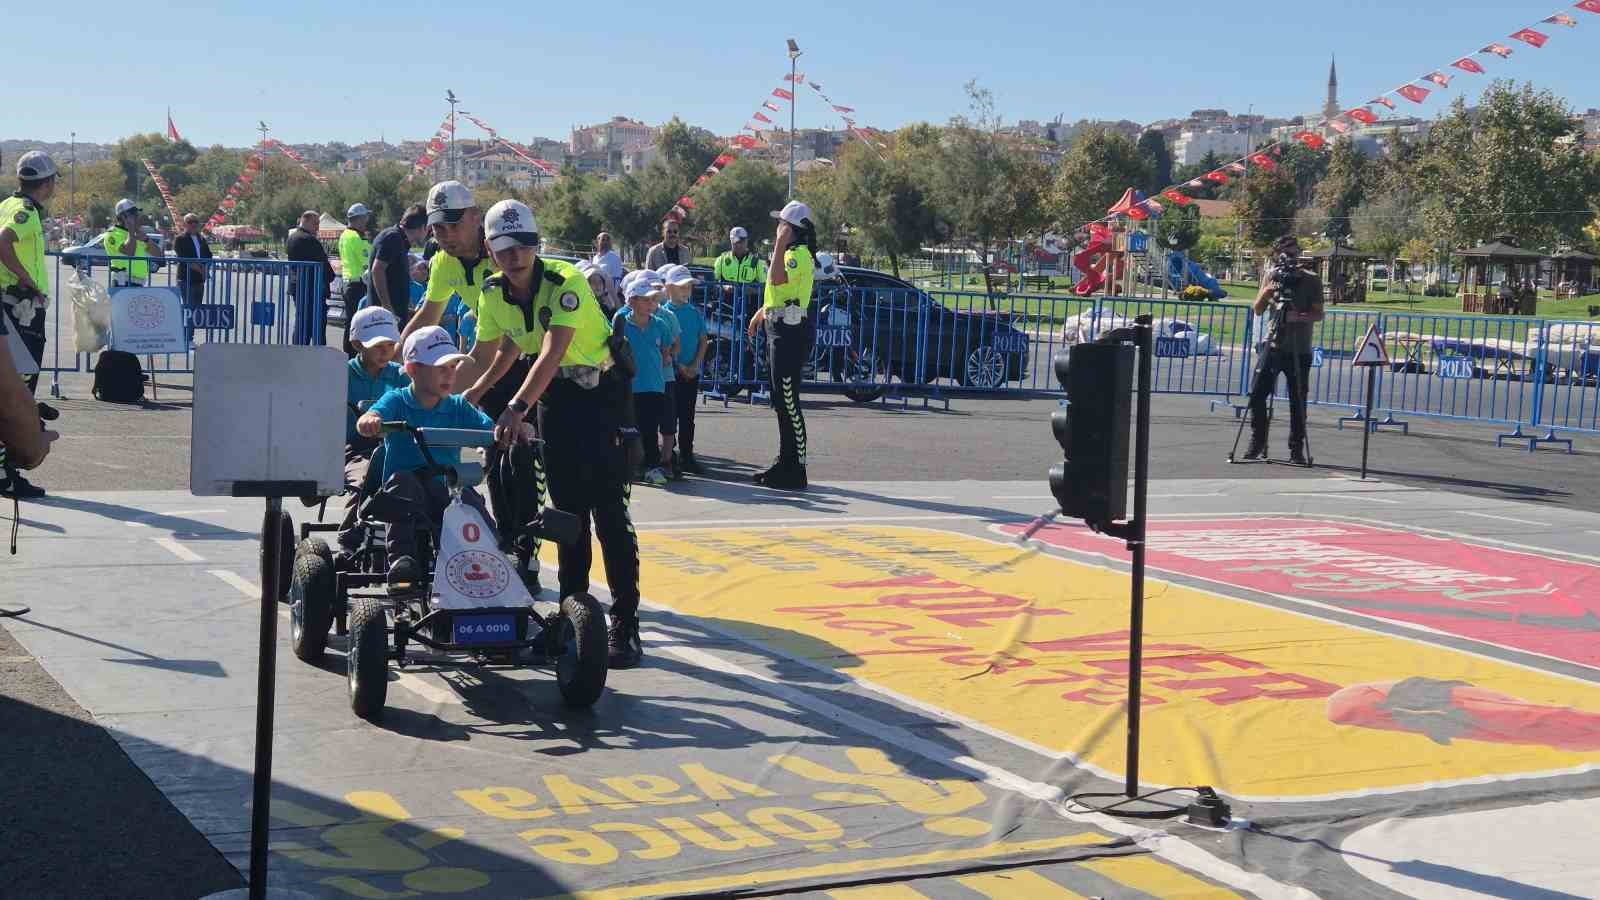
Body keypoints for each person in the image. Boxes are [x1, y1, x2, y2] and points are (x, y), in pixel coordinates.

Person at [461, 200, 643, 668]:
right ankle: (571, 621)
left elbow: (552, 350)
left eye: (525, 245)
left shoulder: (566, 281)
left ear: (536, 245)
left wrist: (515, 408)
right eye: (505, 247)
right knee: (565, 514)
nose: (516, 255)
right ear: (489, 248)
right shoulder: (492, 292)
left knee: (609, 513)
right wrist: (465, 395)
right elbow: (497, 350)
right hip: (556, 399)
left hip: (602, 396)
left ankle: (625, 623)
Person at [355, 326, 493, 585]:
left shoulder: (458, 406)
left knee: (469, 499)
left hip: (446, 489)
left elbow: (492, 430)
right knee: (403, 484)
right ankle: (402, 560)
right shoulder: (396, 401)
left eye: (452, 367)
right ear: (413, 370)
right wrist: (370, 420)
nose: (449, 374)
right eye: (441, 367)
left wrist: (511, 431)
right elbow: (372, 415)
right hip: (408, 494)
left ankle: (493, 555)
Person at [402, 182, 499, 402]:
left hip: (533, 357)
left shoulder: (500, 255)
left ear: (475, 217)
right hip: (489, 356)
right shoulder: (443, 261)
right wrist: (392, 365)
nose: (447, 236)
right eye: (439, 228)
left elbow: (492, 351)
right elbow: (427, 317)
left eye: (454, 225)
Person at [747, 200, 818, 491]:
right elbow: (781, 292)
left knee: (788, 399)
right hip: (779, 326)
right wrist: (762, 312)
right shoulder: (791, 253)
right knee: (779, 399)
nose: (777, 228)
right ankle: (784, 461)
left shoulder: (797, 254)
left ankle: (797, 467)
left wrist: (779, 243)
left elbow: (777, 278)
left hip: (790, 332)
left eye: (782, 224)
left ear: (792, 229)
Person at [0, 151, 60, 499]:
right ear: (47, 183)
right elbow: (2, 242)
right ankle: (6, 473)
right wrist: (28, 282)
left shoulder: (7, 204)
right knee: (16, 396)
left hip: (10, 308)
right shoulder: (25, 212)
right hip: (20, 310)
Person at [335, 306, 410, 564]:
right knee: (367, 477)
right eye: (377, 345)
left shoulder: (402, 376)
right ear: (358, 344)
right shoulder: (340, 374)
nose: (385, 351)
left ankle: (412, 543)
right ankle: (349, 540)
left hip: (395, 448)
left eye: (390, 344)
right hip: (354, 450)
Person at [1246, 234, 1324, 464]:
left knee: (1297, 401)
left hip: (1299, 348)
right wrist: (1266, 292)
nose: (1288, 255)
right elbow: (1257, 309)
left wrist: (1298, 317)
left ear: (1298, 252)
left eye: (1292, 250)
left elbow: (1318, 314)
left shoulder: (1311, 280)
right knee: (1257, 394)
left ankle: (1296, 449)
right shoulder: (1271, 275)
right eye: (1283, 250)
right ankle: (1257, 442)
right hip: (1272, 345)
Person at [613, 271, 674, 486]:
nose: (651, 304)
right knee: (628, 429)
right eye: (645, 299)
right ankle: (628, 467)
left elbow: (666, 353)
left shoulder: (660, 324)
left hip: (654, 387)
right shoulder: (621, 322)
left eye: (653, 300)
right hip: (629, 387)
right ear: (632, 301)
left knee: (649, 430)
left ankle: (652, 467)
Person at [663, 264, 708, 475]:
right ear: (669, 288)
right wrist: (679, 365)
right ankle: (669, 456)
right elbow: (665, 345)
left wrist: (695, 365)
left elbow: (703, 340)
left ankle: (687, 456)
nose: (686, 291)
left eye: (688, 286)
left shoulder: (694, 312)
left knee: (688, 416)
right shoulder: (663, 313)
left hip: (691, 373)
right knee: (670, 416)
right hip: (672, 374)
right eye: (681, 286)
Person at [367, 204, 429, 321]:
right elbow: (377, 270)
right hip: (384, 318)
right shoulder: (393, 237)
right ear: (422, 227)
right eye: (428, 229)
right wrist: (387, 308)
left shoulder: (400, 241)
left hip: (394, 315)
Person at [285, 210, 336, 345]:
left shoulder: (292, 238)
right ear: (305, 220)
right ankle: (316, 353)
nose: (317, 227)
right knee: (316, 325)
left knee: (302, 322)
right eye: (315, 223)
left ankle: (299, 351)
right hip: (312, 288)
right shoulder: (309, 240)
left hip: (298, 286)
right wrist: (330, 276)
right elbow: (323, 264)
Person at [172, 213, 212, 342]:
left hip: (199, 281)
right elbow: (184, 258)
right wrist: (202, 270)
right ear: (185, 224)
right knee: (188, 308)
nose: (193, 224)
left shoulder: (202, 239)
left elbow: (209, 256)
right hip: (186, 279)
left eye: (196, 221)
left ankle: (189, 337)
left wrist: (206, 269)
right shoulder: (180, 239)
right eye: (190, 222)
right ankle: (186, 337)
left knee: (195, 310)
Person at [106, 199, 159, 287]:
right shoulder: (112, 234)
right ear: (123, 217)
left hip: (139, 282)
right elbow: (130, 252)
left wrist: (146, 239)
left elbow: (158, 254)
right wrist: (131, 230)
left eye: (137, 214)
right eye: (133, 214)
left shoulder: (136, 233)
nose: (137, 217)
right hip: (123, 281)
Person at [339, 203, 373, 313]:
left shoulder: (344, 235)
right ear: (359, 219)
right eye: (366, 217)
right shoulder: (356, 237)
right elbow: (369, 262)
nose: (367, 221)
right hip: (357, 285)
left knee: (350, 319)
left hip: (347, 283)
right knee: (359, 319)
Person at [712, 226, 767, 293]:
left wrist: (754, 291)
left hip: (749, 299)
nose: (738, 245)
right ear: (731, 241)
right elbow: (713, 283)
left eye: (741, 241)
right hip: (726, 298)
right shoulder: (721, 260)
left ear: (746, 241)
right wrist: (724, 287)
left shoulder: (757, 262)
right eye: (735, 242)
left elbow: (765, 287)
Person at [591, 232, 624, 308]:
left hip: (609, 300)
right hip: (595, 298)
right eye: (603, 239)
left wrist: (612, 299)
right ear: (597, 242)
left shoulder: (615, 258)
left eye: (608, 240)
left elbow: (616, 281)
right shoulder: (595, 258)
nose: (605, 242)